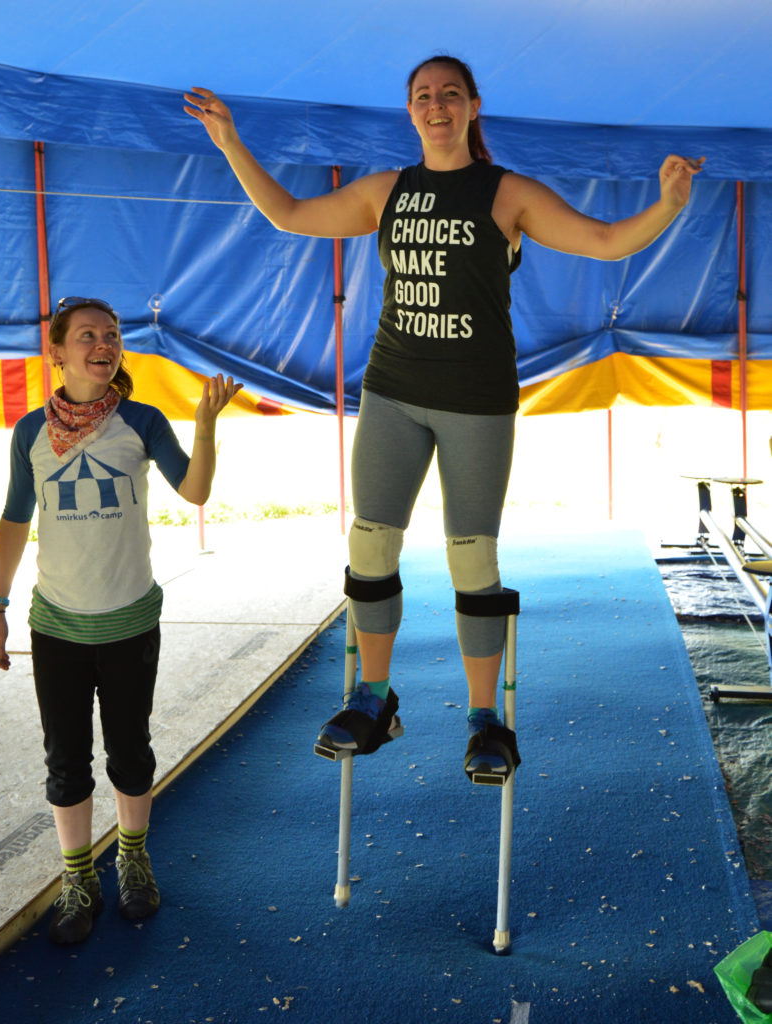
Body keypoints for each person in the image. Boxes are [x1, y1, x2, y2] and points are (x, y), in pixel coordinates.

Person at [184, 55, 702, 779]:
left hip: (476, 399)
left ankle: (484, 719)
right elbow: (289, 215)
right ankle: (373, 697)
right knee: (369, 545)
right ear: (409, 110)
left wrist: (669, 204)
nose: (436, 106)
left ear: (472, 106)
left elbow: (606, 241)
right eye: (423, 96)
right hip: (393, 390)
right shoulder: (387, 192)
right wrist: (232, 143)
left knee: (472, 558)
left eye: (449, 95)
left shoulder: (507, 192)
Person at [0, 296, 242, 945]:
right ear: (58, 351)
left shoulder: (143, 422)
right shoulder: (30, 434)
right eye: (88, 335)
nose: (104, 344)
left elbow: (197, 490)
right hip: (58, 629)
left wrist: (205, 425)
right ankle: (78, 878)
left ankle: (131, 858)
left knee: (129, 752)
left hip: (130, 624)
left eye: (113, 334)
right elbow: (16, 519)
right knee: (66, 760)